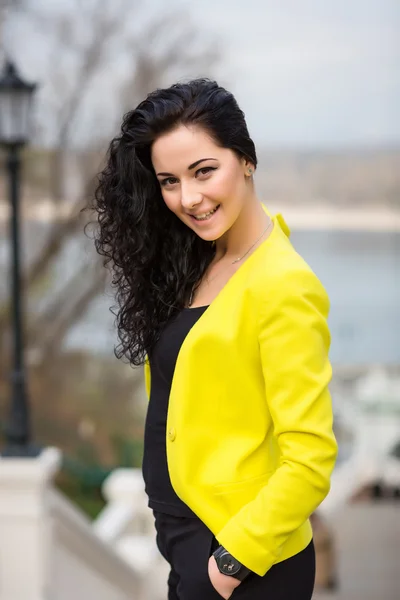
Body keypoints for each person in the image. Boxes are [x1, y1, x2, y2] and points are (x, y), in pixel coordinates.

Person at [91, 78, 338, 599]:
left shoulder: (283, 284)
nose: (189, 198)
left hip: (243, 564)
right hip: (188, 546)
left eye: (204, 171)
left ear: (245, 159)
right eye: (169, 181)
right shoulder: (200, 259)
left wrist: (225, 567)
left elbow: (310, 461)